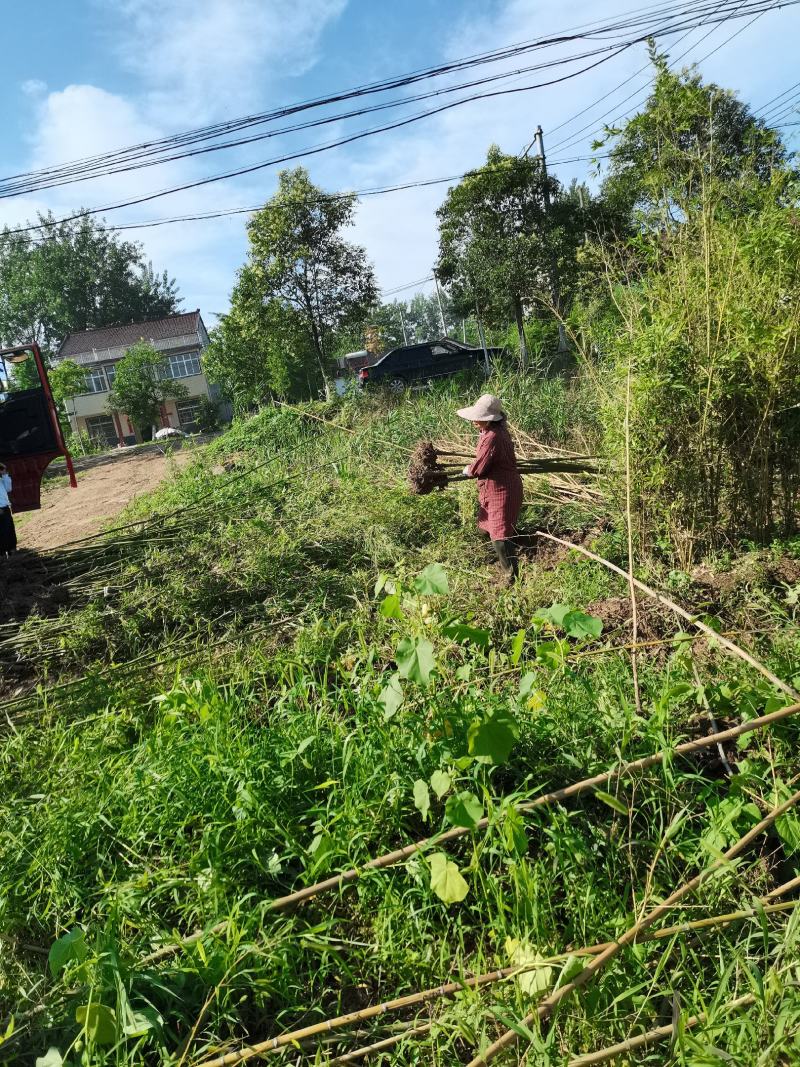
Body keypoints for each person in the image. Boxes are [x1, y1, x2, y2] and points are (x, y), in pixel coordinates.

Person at [457, 394, 522, 584]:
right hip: (494, 488)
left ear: (489, 419)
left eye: (479, 418)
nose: (474, 422)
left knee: (499, 534)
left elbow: (480, 467)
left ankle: (511, 578)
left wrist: (469, 470)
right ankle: (499, 558)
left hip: (503, 490)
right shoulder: (491, 432)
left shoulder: (493, 436)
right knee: (489, 527)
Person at [0, 463, 16, 557]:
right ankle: (2, 553)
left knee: (9, 529)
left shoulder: (2, 480)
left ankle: (10, 549)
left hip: (5, 508)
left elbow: (9, 488)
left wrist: (4, 472)